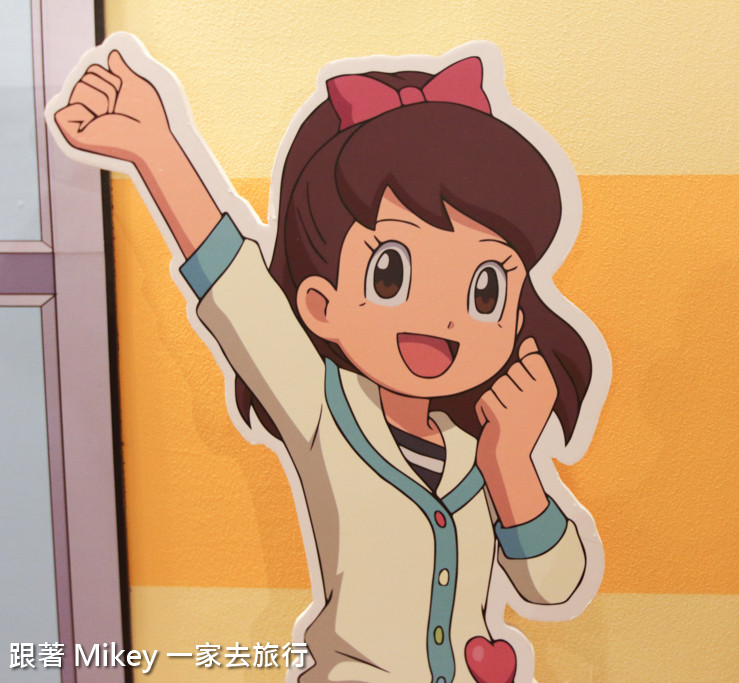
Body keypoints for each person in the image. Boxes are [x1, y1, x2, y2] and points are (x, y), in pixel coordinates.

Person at [52, 39, 603, 683]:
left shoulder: (474, 448)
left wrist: (509, 463)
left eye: (485, 289)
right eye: (391, 273)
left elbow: (553, 586)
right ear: (319, 304)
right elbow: (238, 290)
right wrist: (156, 149)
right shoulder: (323, 407)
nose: (444, 318)